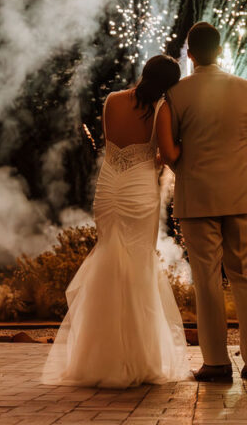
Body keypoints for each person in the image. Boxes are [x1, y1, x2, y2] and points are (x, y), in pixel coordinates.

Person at [43, 54, 189, 387]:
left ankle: (96, 358)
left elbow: (116, 146)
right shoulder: (162, 109)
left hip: (108, 187)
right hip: (139, 189)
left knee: (109, 259)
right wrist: (185, 146)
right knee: (136, 269)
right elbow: (164, 155)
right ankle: (135, 358)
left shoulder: (111, 101)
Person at [167, 21, 247, 382]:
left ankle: (216, 362)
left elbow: (171, 147)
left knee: (206, 278)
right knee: (246, 274)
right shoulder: (246, 88)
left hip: (197, 194)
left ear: (189, 54)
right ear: (220, 51)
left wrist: (189, 170)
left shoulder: (177, 93)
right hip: (239, 191)